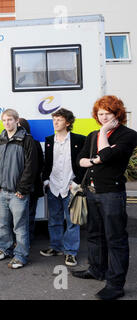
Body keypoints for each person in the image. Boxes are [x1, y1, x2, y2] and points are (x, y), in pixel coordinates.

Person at [72, 96, 137, 300]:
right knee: (94, 234)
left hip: (111, 194)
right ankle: (96, 269)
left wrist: (102, 133)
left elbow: (107, 155)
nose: (102, 117)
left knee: (115, 239)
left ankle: (115, 285)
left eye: (107, 114)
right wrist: (94, 160)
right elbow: (79, 160)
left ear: (117, 114)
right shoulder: (91, 135)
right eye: (100, 114)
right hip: (92, 192)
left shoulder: (128, 135)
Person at [39, 108, 86, 267]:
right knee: (54, 220)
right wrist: (45, 180)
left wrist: (77, 182)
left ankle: (71, 252)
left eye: (58, 120)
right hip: (53, 186)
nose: (55, 122)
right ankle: (56, 247)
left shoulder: (79, 140)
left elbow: (83, 164)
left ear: (68, 122)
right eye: (54, 120)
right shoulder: (49, 140)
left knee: (72, 221)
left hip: (70, 186)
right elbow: (47, 163)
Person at [0, 109, 37, 269]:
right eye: (4, 120)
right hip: (2, 192)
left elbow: (31, 167)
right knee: (2, 225)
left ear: (17, 121)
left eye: (10, 120)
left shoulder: (27, 140)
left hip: (18, 193)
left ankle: (21, 256)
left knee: (20, 227)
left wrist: (22, 189)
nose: (7, 123)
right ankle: (6, 249)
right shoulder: (2, 138)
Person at [18, 118, 44, 242]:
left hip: (32, 186)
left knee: (29, 214)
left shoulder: (34, 143)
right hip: (17, 186)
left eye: (19, 126)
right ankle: (20, 240)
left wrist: (27, 180)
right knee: (19, 215)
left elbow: (39, 165)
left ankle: (27, 239)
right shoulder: (11, 143)